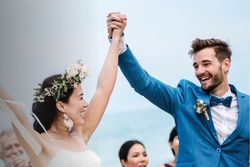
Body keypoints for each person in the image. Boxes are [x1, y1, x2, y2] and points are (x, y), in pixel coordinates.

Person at [107, 12, 249, 167]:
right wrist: (118, 42)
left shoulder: (247, 106)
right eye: (196, 66)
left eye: (206, 64)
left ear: (226, 65)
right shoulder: (184, 98)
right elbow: (144, 83)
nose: (199, 71)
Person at [0, 15, 127, 167]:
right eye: (80, 98)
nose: (86, 104)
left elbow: (104, 88)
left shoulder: (80, 133)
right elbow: (16, 113)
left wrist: (116, 38)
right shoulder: (39, 144)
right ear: (61, 106)